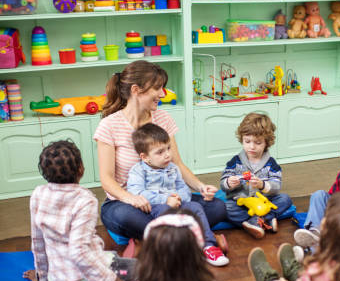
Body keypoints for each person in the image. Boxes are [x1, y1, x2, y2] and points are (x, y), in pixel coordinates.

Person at [93, 60, 227, 245]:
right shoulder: (109, 125)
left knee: (218, 207)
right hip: (126, 203)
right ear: (135, 90)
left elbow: (177, 164)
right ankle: (194, 236)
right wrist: (132, 199)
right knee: (125, 218)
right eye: (157, 88)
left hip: (166, 198)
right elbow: (106, 179)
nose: (162, 94)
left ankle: (164, 238)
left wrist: (200, 187)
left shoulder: (163, 118)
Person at [23, 140, 138, 281]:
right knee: (138, 269)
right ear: (81, 169)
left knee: (111, 259)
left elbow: (37, 241)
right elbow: (79, 252)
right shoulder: (85, 200)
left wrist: (42, 275)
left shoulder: (38, 194)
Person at [127, 123, 228, 266]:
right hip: (155, 207)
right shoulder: (138, 171)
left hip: (178, 203)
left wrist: (179, 197)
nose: (168, 154)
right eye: (160, 152)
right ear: (145, 157)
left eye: (168, 148)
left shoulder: (173, 168)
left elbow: (183, 187)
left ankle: (209, 245)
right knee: (164, 210)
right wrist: (165, 199)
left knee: (195, 205)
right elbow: (137, 193)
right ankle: (172, 248)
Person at [220, 112, 293, 239]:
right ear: (242, 139)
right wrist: (229, 183)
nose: (251, 147)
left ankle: (257, 220)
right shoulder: (235, 161)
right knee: (224, 208)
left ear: (266, 143)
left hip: (264, 202)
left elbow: (276, 186)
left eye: (258, 143)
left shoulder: (271, 164)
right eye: (247, 141)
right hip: (242, 203)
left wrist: (262, 185)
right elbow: (223, 183)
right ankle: (264, 220)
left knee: (285, 199)